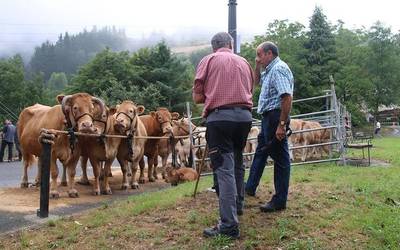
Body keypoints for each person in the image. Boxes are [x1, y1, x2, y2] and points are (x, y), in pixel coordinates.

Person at [193, 32, 253, 239]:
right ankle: (238, 206)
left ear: (213, 47)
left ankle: (228, 225)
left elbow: (198, 97)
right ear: (231, 44)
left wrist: (213, 95)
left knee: (224, 169)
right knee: (237, 162)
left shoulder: (208, 60)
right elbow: (249, 90)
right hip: (244, 117)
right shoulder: (244, 61)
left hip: (220, 119)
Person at [245, 41, 294, 213]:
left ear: (269, 53)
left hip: (275, 116)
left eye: (259, 55)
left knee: (280, 158)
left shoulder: (279, 69)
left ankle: (279, 200)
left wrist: (281, 124)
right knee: (261, 151)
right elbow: (256, 81)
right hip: (269, 117)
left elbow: (286, 97)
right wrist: (257, 65)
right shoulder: (270, 70)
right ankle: (250, 186)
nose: (257, 58)